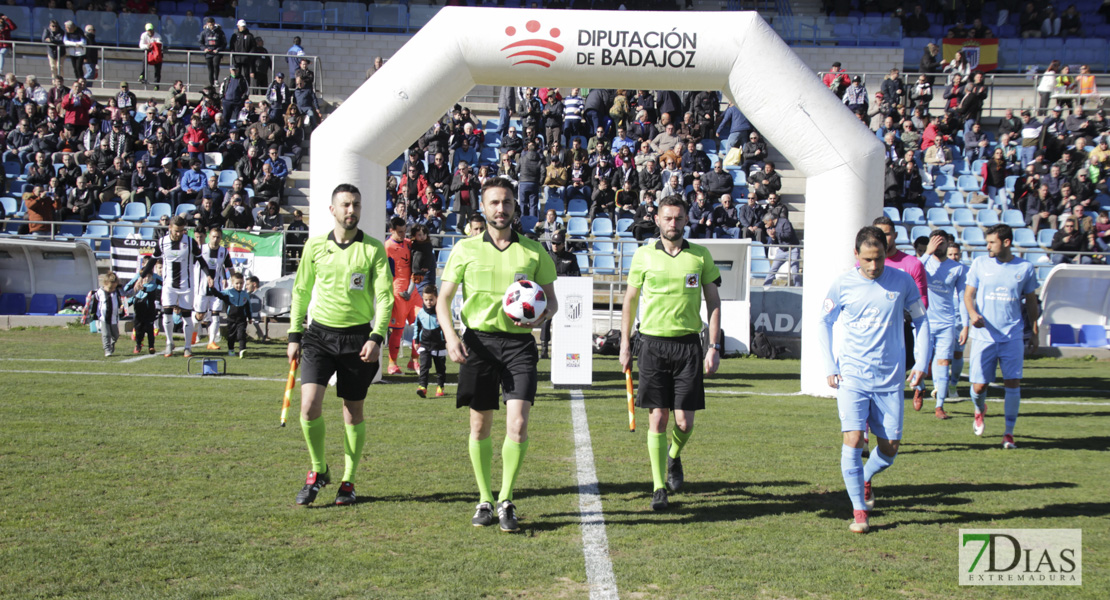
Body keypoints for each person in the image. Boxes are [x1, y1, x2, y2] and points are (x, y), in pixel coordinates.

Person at [437, 177, 558, 532]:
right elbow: (443, 299)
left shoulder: (535, 251)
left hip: (519, 346)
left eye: (506, 202)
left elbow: (550, 302)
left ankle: (506, 499)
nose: (500, 209)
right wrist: (449, 336)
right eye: (494, 203)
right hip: (479, 344)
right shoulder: (465, 249)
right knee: (480, 425)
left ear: (514, 207)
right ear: (483, 207)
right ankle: (484, 499)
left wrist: (539, 315)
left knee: (518, 423)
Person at [818, 225, 930, 534]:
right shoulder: (843, 284)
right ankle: (859, 512)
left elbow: (921, 320)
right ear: (856, 255)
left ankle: (866, 477)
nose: (873, 266)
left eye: (878, 258)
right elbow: (824, 321)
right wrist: (830, 363)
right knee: (853, 438)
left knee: (890, 447)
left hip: (890, 379)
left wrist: (921, 361)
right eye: (867, 259)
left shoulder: (903, 281)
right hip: (853, 376)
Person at [288, 183, 393, 506]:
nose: (352, 211)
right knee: (308, 406)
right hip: (319, 336)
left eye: (356, 205)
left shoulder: (374, 248)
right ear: (332, 210)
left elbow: (385, 297)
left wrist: (377, 337)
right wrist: (294, 334)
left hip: (358, 339)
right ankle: (318, 470)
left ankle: (348, 481)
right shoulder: (315, 246)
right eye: (346, 205)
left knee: (352, 412)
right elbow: (301, 291)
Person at [619, 195, 721, 511]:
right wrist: (625, 343)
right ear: (658, 219)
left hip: (689, 345)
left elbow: (715, 303)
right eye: (667, 218)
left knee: (685, 423)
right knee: (658, 418)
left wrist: (713, 346)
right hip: (651, 344)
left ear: (686, 219)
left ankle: (673, 457)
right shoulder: (643, 256)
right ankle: (658, 487)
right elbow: (630, 301)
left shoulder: (700, 256)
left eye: (678, 218)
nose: (672, 223)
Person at [964, 224, 1039, 449]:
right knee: (978, 387)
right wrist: (972, 313)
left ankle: (1008, 433)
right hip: (984, 336)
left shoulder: (1025, 268)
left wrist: (1034, 331)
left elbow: (1032, 302)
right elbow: (968, 295)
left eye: (991, 242)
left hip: (1012, 335)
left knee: (1012, 383)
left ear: (1006, 242)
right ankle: (979, 409)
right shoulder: (979, 264)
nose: (987, 246)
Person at [139, 215, 214, 358]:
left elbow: (201, 260)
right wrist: (141, 277)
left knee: (186, 316)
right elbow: (152, 261)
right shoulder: (162, 243)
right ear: (169, 228)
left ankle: (187, 346)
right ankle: (169, 342)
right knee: (166, 314)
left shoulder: (190, 243)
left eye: (181, 231)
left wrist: (209, 275)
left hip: (186, 285)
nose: (179, 234)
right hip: (169, 285)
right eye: (176, 231)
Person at [915, 231, 968, 419]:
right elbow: (912, 271)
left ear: (948, 244)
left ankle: (940, 406)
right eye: (934, 242)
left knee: (944, 362)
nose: (938, 246)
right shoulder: (924, 262)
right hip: (924, 320)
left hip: (947, 323)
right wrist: (927, 253)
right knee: (921, 360)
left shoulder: (958, 269)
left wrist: (966, 325)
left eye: (942, 242)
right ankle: (920, 389)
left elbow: (963, 299)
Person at [193, 226, 235, 350]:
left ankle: (211, 341)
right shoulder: (200, 249)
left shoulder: (224, 251)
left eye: (218, 237)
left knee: (215, 314)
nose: (215, 239)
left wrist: (234, 280)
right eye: (213, 237)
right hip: (201, 288)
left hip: (217, 288)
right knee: (199, 315)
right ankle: (193, 333)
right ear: (209, 237)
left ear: (221, 238)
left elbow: (230, 267)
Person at [385, 216, 417, 375]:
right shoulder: (388, 247)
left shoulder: (408, 243)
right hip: (397, 290)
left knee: (421, 325)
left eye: (405, 231)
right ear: (392, 231)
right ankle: (392, 364)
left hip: (413, 289)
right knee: (398, 329)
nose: (403, 235)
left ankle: (414, 361)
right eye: (400, 232)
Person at [207, 272, 252, 358]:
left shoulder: (245, 295)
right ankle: (231, 349)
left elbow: (248, 306)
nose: (239, 285)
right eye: (237, 283)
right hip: (231, 319)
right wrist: (212, 288)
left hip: (242, 319)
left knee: (241, 334)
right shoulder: (228, 293)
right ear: (232, 283)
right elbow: (218, 294)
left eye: (241, 283)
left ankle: (242, 350)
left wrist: (249, 317)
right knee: (231, 335)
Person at [413, 285, 447, 398]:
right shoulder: (421, 313)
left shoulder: (441, 312)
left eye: (431, 299)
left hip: (439, 345)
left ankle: (440, 386)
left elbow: (447, 326)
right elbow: (416, 327)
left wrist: (447, 340)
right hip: (425, 344)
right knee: (424, 366)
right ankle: (422, 387)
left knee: (440, 368)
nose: (428, 302)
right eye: (426, 299)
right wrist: (416, 340)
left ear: (436, 298)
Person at [125, 267, 162, 355]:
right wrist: (127, 301)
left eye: (148, 276)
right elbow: (128, 288)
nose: (146, 279)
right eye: (144, 277)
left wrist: (142, 288)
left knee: (149, 328)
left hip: (150, 309)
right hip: (138, 308)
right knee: (138, 328)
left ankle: (151, 346)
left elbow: (151, 289)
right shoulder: (138, 281)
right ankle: (138, 345)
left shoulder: (153, 283)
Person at [89, 272, 124, 357]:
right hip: (103, 317)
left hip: (113, 318)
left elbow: (120, 302)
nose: (112, 289)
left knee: (115, 335)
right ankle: (107, 350)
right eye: (110, 288)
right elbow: (92, 302)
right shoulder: (99, 292)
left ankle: (112, 343)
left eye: (114, 288)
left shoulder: (116, 293)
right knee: (106, 334)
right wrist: (90, 312)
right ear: (105, 284)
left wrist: (121, 308)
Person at [762, 211, 801, 286]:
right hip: (782, 250)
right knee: (773, 269)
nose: (766, 225)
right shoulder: (772, 227)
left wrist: (775, 234)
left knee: (795, 271)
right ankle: (766, 286)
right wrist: (773, 237)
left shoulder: (784, 222)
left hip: (792, 249)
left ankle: (798, 287)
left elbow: (788, 235)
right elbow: (776, 242)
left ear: (770, 220)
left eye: (766, 223)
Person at [198, 17, 226, 87]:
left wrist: (218, 49)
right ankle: (211, 83)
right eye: (210, 25)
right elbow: (201, 43)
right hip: (208, 52)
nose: (211, 26)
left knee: (216, 65)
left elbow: (224, 43)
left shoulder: (219, 32)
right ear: (207, 24)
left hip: (216, 52)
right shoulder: (204, 32)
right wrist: (204, 49)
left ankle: (216, 79)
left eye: (212, 25)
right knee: (210, 69)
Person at [138, 23, 164, 88]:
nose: (150, 32)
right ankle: (142, 75)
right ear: (146, 30)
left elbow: (160, 45)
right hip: (148, 52)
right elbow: (141, 45)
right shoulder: (143, 35)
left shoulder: (157, 35)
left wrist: (152, 45)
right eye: (149, 30)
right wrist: (147, 46)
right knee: (144, 60)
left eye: (151, 30)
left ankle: (156, 85)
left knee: (157, 70)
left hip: (157, 54)